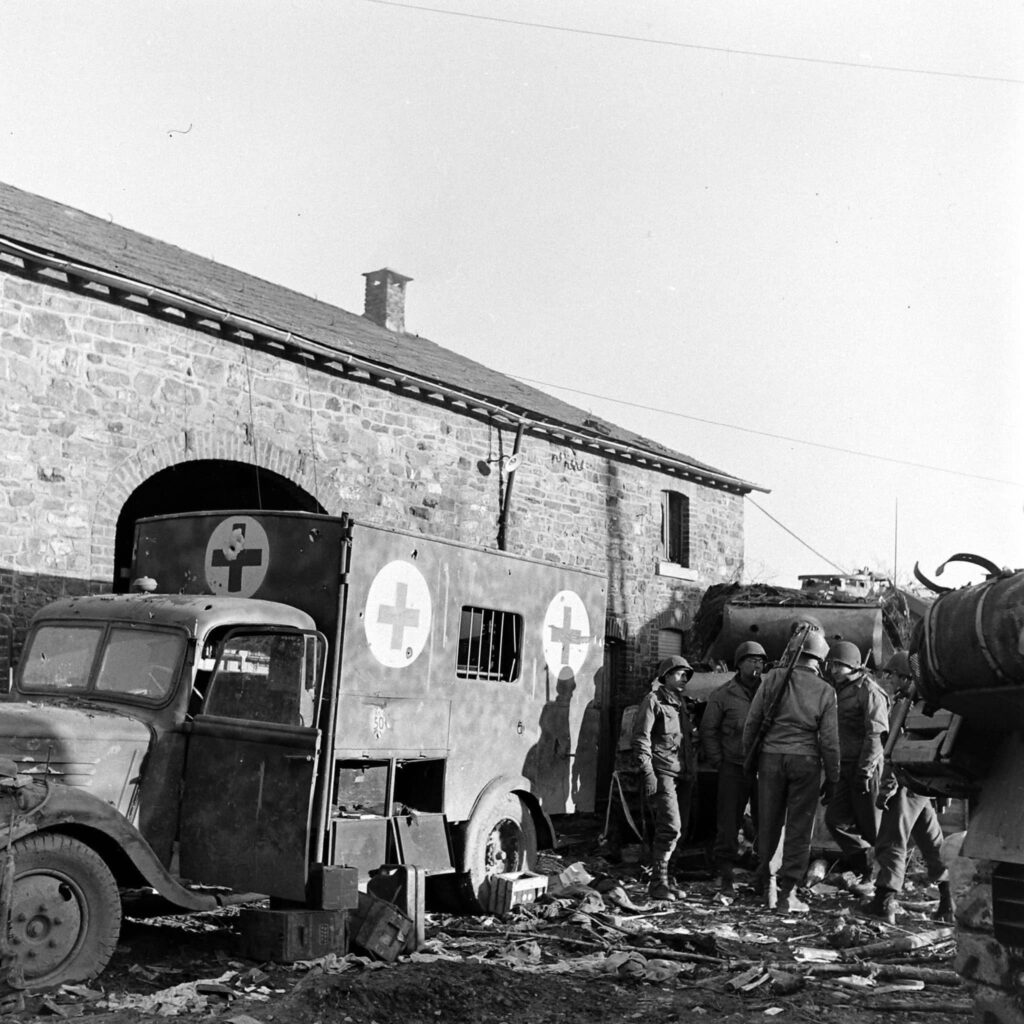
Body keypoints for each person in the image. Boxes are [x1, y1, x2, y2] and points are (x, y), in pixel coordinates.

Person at [743, 626, 839, 912]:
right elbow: (830, 740)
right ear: (820, 658)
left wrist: (748, 759)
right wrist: (833, 777)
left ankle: (769, 887)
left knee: (770, 823)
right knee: (799, 827)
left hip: (770, 759)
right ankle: (788, 894)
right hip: (806, 762)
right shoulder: (825, 690)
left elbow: (752, 722)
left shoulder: (772, 678)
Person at [868, 651, 954, 924]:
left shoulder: (906, 706)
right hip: (922, 782)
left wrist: (887, 787)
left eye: (891, 675)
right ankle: (948, 903)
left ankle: (884, 904)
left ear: (904, 677)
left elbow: (895, 749)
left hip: (906, 782)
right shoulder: (926, 702)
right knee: (932, 842)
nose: (888, 679)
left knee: (891, 840)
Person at [699, 640, 767, 895]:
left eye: (761, 661)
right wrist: (719, 761)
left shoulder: (770, 692)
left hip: (762, 769)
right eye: (752, 660)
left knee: (765, 823)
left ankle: (763, 878)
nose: (757, 665)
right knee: (728, 825)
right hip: (733, 767)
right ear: (739, 664)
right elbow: (709, 730)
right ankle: (726, 879)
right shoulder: (723, 694)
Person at [823, 640, 890, 896]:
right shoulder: (836, 690)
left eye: (839, 664)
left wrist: (865, 771)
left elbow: (876, 735)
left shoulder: (869, 692)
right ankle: (866, 867)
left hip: (867, 769)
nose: (833, 669)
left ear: (853, 666)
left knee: (872, 826)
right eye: (832, 664)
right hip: (843, 768)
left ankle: (882, 883)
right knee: (835, 820)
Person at [632, 655, 698, 900]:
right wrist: (647, 771)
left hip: (684, 773)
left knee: (683, 829)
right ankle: (657, 883)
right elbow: (641, 737)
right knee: (670, 827)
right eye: (680, 674)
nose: (684, 679)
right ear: (666, 676)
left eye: (686, 675)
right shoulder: (653, 701)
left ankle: (669, 880)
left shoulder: (682, 704)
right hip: (663, 772)